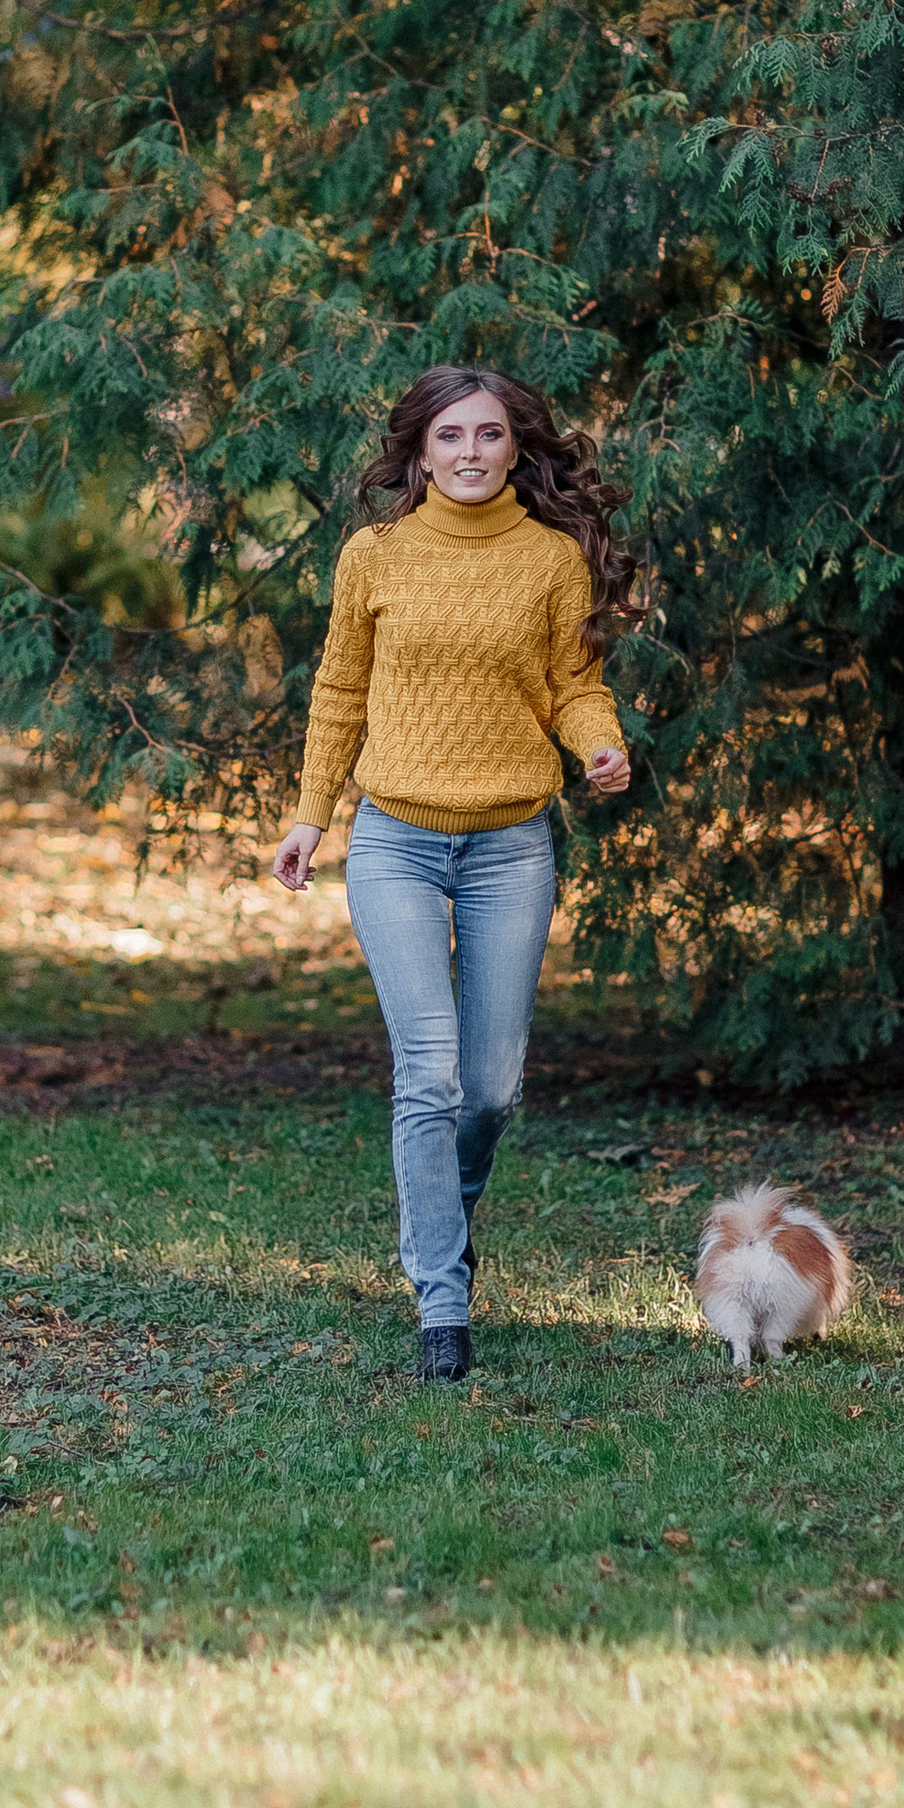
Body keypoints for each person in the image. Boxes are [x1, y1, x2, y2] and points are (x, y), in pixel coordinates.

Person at [271, 366, 639, 1380]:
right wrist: (311, 816)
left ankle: (448, 1221)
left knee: (488, 1091)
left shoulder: (553, 559)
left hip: (510, 843)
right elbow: (339, 687)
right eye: (448, 437)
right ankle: (442, 1297)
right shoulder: (374, 556)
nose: (469, 453)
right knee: (425, 1078)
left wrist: (596, 745)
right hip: (393, 839)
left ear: (518, 447)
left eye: (488, 435)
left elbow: (574, 684)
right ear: (417, 451)